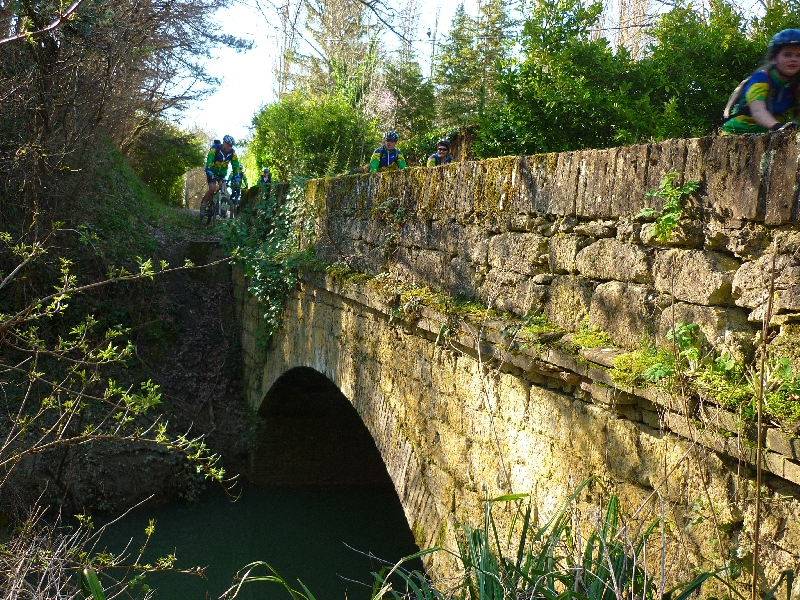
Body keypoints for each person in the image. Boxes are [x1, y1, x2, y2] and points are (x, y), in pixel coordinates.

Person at [722, 29, 800, 134]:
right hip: (735, 134)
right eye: (787, 55)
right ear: (773, 59)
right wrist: (777, 126)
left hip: (768, 136)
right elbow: (758, 111)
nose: (794, 59)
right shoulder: (761, 79)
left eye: (799, 55)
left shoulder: (795, 85)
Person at [201, 135, 240, 215]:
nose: (230, 147)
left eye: (231, 145)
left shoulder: (232, 153)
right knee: (212, 188)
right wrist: (208, 169)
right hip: (211, 172)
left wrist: (237, 176)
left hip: (221, 175)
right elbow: (210, 158)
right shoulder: (215, 148)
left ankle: (221, 207)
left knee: (223, 189)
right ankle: (204, 204)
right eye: (228, 145)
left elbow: (236, 165)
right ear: (224, 143)